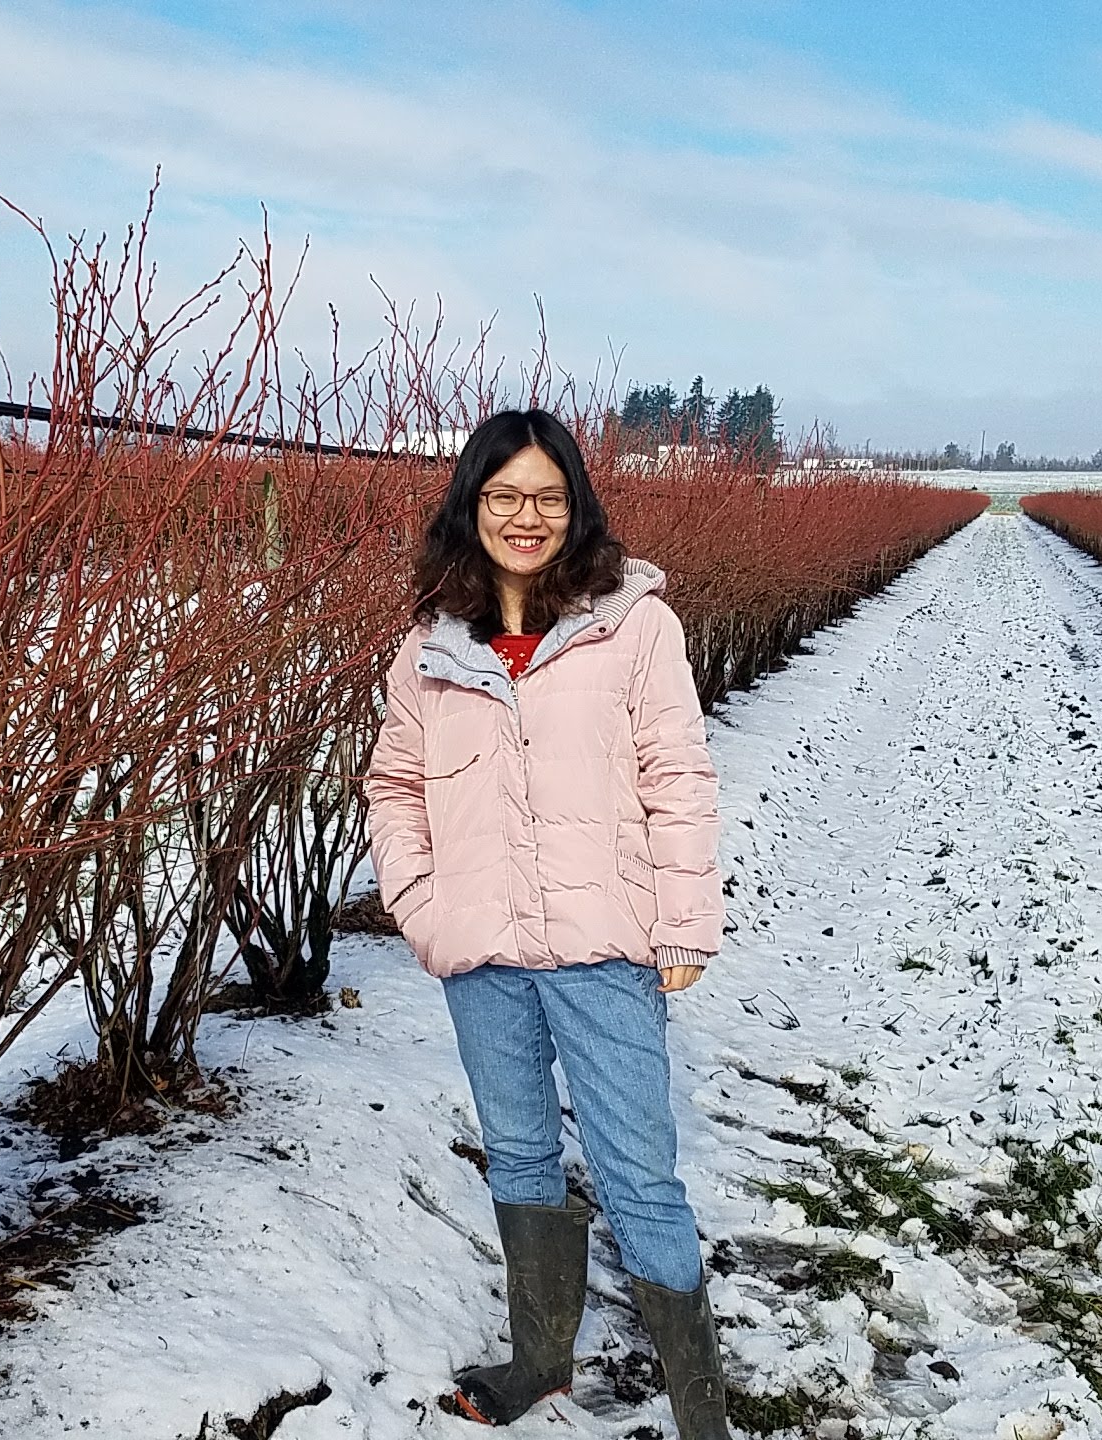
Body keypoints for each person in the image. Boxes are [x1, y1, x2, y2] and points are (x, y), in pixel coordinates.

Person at [361, 408, 729, 1438]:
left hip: (603, 949)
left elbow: (678, 776)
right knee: (519, 1151)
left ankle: (703, 1417)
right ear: (471, 506)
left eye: (547, 496)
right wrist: (422, 905)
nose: (526, 517)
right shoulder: (432, 646)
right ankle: (539, 1362)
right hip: (482, 954)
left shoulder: (633, 625)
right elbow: (394, 787)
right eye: (504, 495)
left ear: (576, 508)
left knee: (638, 1175)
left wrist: (684, 922)